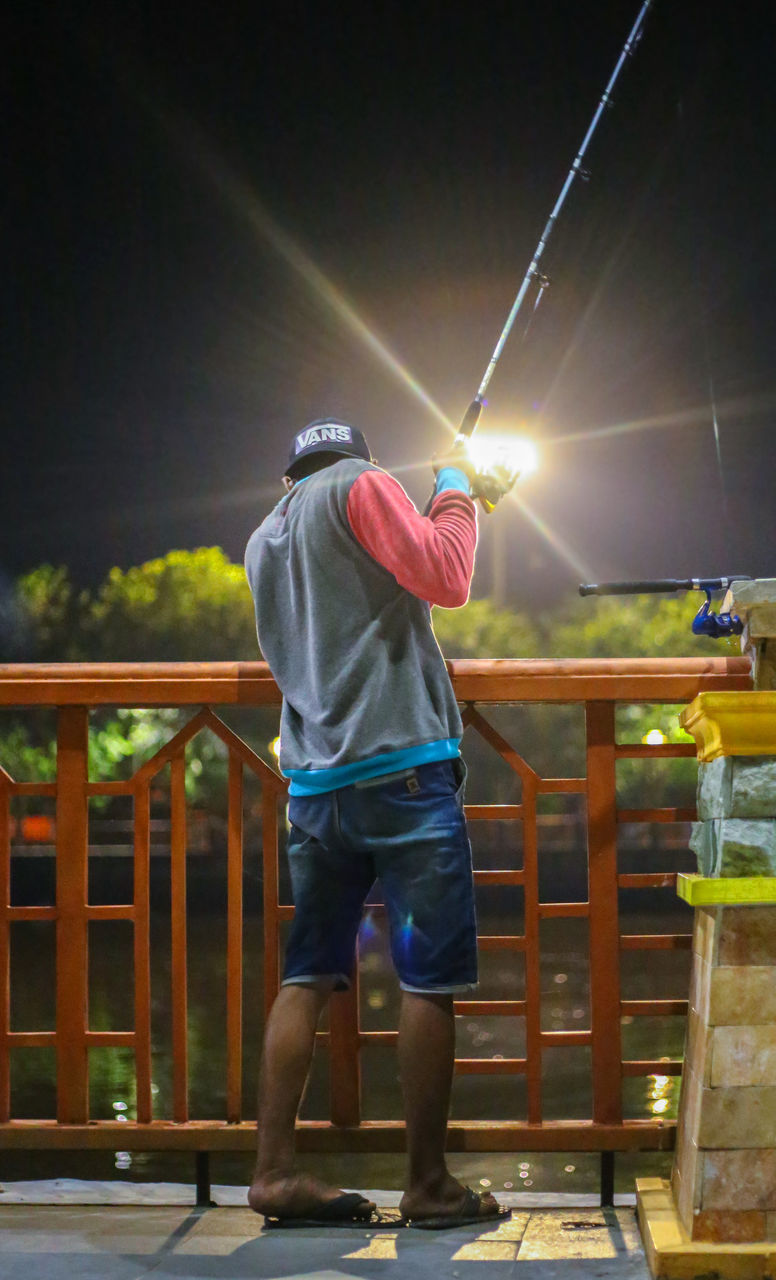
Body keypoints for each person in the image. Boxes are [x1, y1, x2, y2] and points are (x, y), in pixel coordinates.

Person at [244, 417, 515, 1229]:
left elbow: (368, 588)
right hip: (401, 774)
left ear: (291, 468)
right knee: (427, 978)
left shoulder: (267, 533)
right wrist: (457, 489)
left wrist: (455, 499)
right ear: (355, 457)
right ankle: (428, 1185)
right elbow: (444, 575)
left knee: (311, 972)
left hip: (316, 785)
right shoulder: (363, 485)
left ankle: (273, 1173)